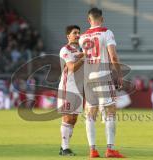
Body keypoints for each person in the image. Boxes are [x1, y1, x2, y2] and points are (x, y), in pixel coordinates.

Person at [79, 8, 125, 158]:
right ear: (102, 19)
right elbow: (113, 57)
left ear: (88, 20)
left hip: (89, 78)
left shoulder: (82, 37)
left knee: (90, 114)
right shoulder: (107, 32)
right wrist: (118, 75)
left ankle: (92, 150)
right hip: (104, 76)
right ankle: (110, 149)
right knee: (110, 111)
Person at [57, 25, 86, 156]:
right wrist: (85, 57)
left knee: (74, 119)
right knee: (68, 118)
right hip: (67, 88)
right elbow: (72, 67)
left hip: (78, 88)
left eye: (79, 32)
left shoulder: (77, 51)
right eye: (75, 33)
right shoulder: (65, 49)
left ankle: (64, 146)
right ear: (68, 36)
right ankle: (65, 148)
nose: (78, 35)